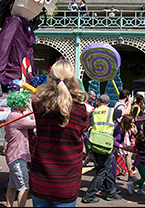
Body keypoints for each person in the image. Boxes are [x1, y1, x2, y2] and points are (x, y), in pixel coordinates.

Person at [30, 59, 89, 206]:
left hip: (41, 177)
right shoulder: (80, 110)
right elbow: (83, 128)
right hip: (67, 182)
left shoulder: (38, 105)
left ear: (50, 79)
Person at [82, 94, 122, 203]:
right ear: (108, 103)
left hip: (94, 142)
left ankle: (111, 191)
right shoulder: (112, 111)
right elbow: (127, 112)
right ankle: (89, 194)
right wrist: (130, 102)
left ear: (99, 101)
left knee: (105, 167)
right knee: (103, 170)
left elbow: (86, 126)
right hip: (106, 143)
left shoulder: (93, 112)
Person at [5, 90, 36, 207]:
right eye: (25, 102)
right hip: (17, 156)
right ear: (19, 103)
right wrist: (32, 108)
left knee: (12, 185)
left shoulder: (12, 115)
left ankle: (9, 206)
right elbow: (35, 123)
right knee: (24, 187)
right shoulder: (17, 117)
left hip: (12, 155)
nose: (26, 103)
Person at [126, 131, 145, 196]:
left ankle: (140, 189)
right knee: (144, 178)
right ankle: (132, 184)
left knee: (142, 177)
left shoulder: (138, 147)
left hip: (138, 163)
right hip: (141, 164)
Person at [113, 114, 137, 181]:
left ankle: (130, 173)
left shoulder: (125, 128)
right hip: (113, 146)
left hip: (118, 145)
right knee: (113, 160)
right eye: (132, 122)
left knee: (127, 154)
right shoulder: (118, 128)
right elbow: (113, 140)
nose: (133, 124)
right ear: (127, 122)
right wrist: (122, 146)